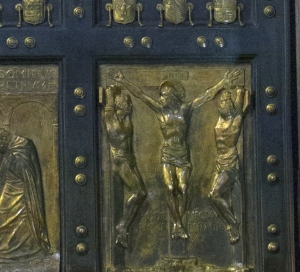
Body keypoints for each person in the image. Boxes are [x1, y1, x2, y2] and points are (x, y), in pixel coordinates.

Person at [109, 69, 239, 240]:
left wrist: (223, 82)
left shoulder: (185, 109)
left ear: (172, 96)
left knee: (183, 189)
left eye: (164, 95)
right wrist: (123, 81)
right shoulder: (159, 110)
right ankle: (178, 224)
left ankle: (179, 223)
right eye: (161, 95)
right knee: (171, 188)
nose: (161, 97)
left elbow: (206, 96)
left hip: (182, 154)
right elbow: (140, 95)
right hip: (167, 154)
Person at [0, 127, 50, 260]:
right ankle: (2, 249)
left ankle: (27, 249)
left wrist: (8, 154)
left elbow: (24, 171)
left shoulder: (23, 144)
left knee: (22, 218)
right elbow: (0, 173)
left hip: (23, 187)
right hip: (10, 184)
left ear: (3, 139)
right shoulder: (5, 147)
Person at [101, 85, 146, 248]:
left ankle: (123, 227)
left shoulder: (127, 120)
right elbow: (108, 107)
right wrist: (110, 92)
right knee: (139, 192)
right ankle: (122, 226)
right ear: (119, 106)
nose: (131, 107)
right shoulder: (111, 119)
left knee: (141, 193)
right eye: (127, 104)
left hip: (129, 159)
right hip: (119, 161)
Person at [208, 87, 249, 244]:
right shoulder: (221, 118)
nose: (222, 104)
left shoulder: (235, 120)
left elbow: (240, 106)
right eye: (221, 102)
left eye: (226, 102)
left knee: (214, 194)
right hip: (220, 163)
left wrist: (240, 93)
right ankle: (230, 223)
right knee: (217, 196)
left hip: (230, 164)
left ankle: (232, 224)